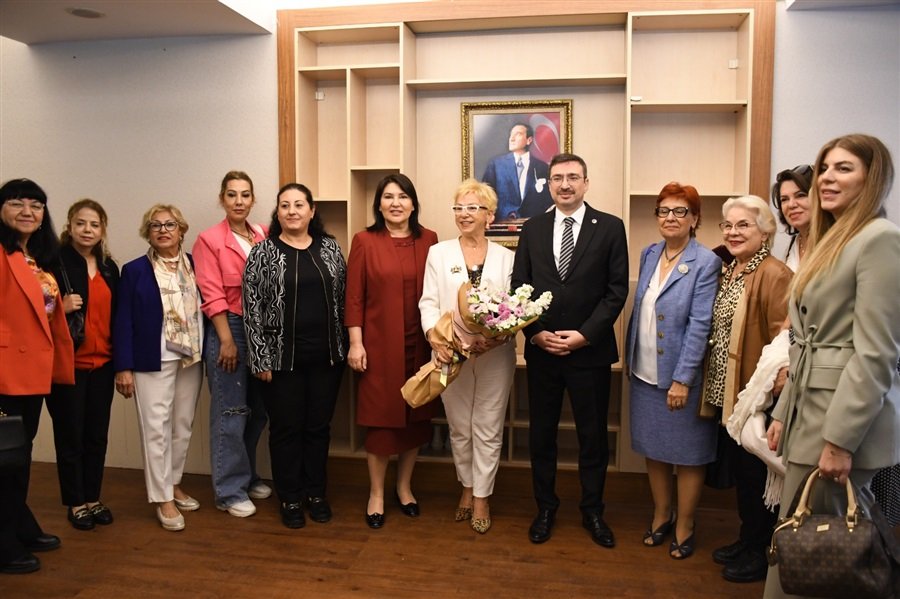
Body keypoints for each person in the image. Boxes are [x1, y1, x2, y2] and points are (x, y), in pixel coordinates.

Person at [764, 134, 900, 599]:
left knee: (820, 555)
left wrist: (841, 441)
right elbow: (805, 342)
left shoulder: (879, 240)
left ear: (872, 177)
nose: (826, 178)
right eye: (824, 168)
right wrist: (783, 410)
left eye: (843, 168)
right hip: (809, 412)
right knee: (802, 544)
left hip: (836, 422)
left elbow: (876, 354)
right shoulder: (834, 239)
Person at [511, 153, 628, 548]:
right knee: (541, 435)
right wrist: (535, 334)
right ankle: (545, 508)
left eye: (573, 177)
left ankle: (593, 510)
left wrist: (585, 335)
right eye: (557, 177)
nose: (565, 184)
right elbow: (519, 287)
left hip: (589, 353)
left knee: (592, 437)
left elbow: (616, 291)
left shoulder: (610, 227)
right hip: (543, 353)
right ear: (548, 184)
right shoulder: (532, 228)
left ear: (586, 183)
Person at [699, 195, 793, 583]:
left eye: (743, 225)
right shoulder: (733, 269)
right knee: (743, 474)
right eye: (728, 225)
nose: (733, 232)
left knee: (756, 477)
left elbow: (783, 345)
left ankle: (760, 551)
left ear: (765, 231)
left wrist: (773, 401)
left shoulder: (774, 274)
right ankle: (747, 538)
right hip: (730, 393)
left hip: (757, 396)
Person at [243, 183, 347, 530]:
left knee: (317, 429)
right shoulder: (262, 252)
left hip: (327, 359)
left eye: (299, 204)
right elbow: (252, 308)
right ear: (278, 212)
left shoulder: (330, 248)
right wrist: (260, 357)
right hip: (280, 361)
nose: (292, 211)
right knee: (286, 430)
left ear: (312, 211)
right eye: (285, 205)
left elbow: (344, 300)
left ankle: (316, 494)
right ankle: (289, 497)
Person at [625, 182, 720, 559]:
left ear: (695, 219)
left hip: (682, 377)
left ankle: (686, 523)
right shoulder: (649, 254)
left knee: (689, 453)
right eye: (663, 211)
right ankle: (662, 514)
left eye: (680, 211)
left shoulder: (706, 262)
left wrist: (682, 379)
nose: (670, 218)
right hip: (645, 370)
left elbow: (700, 324)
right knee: (655, 448)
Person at [419, 179, 516, 534]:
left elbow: (513, 310)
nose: (464, 214)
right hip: (451, 352)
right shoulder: (439, 253)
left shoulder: (507, 257)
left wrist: (497, 337)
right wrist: (436, 339)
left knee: (487, 427)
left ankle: (482, 497)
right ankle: (466, 487)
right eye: (459, 208)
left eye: (473, 208)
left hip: (495, 355)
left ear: (489, 215)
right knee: (460, 427)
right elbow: (428, 303)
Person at [345, 173, 438, 529]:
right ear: (379, 205)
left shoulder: (429, 240)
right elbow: (354, 297)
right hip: (379, 348)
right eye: (388, 197)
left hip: (422, 347)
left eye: (402, 196)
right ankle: (376, 494)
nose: (396, 203)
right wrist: (356, 343)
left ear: (413, 204)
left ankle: (404, 488)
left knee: (416, 419)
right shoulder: (364, 241)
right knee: (381, 424)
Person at [113, 204, 204, 532]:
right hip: (152, 359)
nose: (163, 230)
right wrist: (123, 366)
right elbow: (122, 320)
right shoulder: (135, 270)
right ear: (147, 233)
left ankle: (174, 483)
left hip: (191, 358)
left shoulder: (195, 264)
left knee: (182, 424)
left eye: (170, 224)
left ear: (181, 230)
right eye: (156, 225)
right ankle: (162, 497)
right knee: (156, 428)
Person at [0, 178, 73, 575]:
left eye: (36, 204)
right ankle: (4, 542)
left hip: (33, 370)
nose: (28, 211)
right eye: (17, 202)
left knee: (18, 452)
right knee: (6, 457)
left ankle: (19, 524)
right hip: (6, 371)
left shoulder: (35, 257)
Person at [193, 171, 271, 519]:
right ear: (222, 199)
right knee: (231, 411)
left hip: (262, 331)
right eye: (232, 195)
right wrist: (226, 339)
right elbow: (211, 294)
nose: (239, 201)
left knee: (257, 411)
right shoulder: (209, 240)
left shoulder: (263, 234)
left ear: (253, 200)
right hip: (231, 328)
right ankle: (229, 491)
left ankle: (248, 476)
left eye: (245, 195)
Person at [46, 199, 120, 531]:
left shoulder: (109, 268)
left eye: (94, 224)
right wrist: (58, 306)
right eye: (80, 223)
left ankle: (93, 497)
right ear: (70, 226)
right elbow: (32, 309)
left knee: (96, 436)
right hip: (68, 365)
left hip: (103, 365)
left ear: (102, 229)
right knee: (70, 436)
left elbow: (118, 317)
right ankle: (75, 502)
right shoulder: (53, 263)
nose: (87, 230)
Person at [482, 123, 552, 221]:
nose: (512, 139)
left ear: (529, 140)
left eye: (518, 134)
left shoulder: (542, 167)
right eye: (511, 135)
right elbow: (484, 197)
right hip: (501, 225)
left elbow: (549, 200)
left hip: (534, 225)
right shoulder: (496, 165)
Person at [771, 165, 813, 271]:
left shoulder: (835, 241)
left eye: (800, 195)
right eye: (784, 199)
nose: (791, 205)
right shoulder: (793, 244)